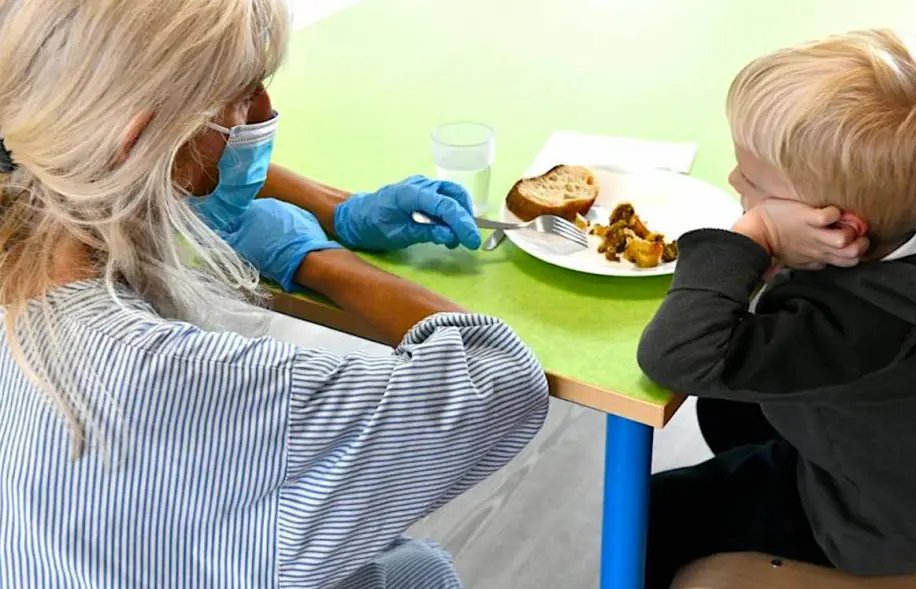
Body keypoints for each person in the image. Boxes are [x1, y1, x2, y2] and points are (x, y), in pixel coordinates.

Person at [0, 1, 548, 587]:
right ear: (140, 140)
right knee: (418, 572)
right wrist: (320, 263)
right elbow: (497, 379)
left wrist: (337, 209)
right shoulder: (178, 379)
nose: (265, 112)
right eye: (244, 93)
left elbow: (163, 150)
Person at [637, 29, 916, 588]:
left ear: (839, 226)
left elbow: (675, 357)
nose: (733, 180)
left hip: (871, 526)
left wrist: (752, 238)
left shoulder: (857, 325)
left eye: (753, 182)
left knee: (657, 509)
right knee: (725, 409)